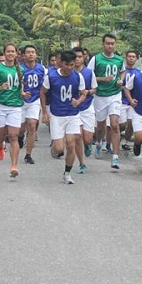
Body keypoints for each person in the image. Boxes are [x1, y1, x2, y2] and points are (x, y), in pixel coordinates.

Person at [41, 50, 88, 184]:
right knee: (59, 148)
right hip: (57, 115)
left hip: (72, 114)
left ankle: (67, 173)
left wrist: (78, 101)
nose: (69, 67)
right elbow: (43, 93)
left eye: (72, 65)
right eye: (67, 64)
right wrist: (45, 112)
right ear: (61, 63)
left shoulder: (78, 77)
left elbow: (83, 93)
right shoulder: (51, 77)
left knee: (71, 144)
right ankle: (55, 149)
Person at [0, 42, 26, 178]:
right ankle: (0, 146)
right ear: (4, 53)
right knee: (1, 136)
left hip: (15, 106)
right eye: (8, 51)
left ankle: (14, 166)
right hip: (0, 105)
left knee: (14, 136)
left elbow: (20, 87)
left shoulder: (21, 70)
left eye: (12, 51)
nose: (10, 54)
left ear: (16, 54)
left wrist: (23, 93)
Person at [87, 33, 125, 169]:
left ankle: (115, 157)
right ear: (103, 44)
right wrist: (103, 79)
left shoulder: (119, 59)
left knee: (114, 125)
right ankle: (98, 142)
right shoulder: (96, 59)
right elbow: (89, 75)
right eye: (108, 43)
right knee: (101, 125)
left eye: (112, 44)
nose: (110, 46)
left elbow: (122, 71)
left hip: (115, 95)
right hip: (100, 95)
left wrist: (120, 80)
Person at [20, 45, 46, 165]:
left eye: (33, 52)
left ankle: (28, 154)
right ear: (23, 55)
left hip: (34, 100)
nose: (31, 54)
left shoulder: (41, 69)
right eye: (28, 52)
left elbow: (45, 85)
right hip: (20, 101)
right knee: (20, 129)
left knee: (32, 125)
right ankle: (20, 136)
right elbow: (16, 84)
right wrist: (21, 92)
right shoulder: (20, 69)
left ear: (36, 55)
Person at [72, 46, 96, 173]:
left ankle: (88, 144)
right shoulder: (67, 73)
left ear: (84, 58)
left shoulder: (89, 73)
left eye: (80, 57)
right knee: (77, 136)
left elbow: (95, 89)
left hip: (87, 107)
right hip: (73, 110)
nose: (77, 59)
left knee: (88, 138)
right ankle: (81, 163)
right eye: (75, 57)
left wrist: (88, 92)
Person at [119, 50, 139, 154]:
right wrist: (123, 88)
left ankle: (125, 142)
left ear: (136, 59)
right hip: (121, 100)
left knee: (131, 123)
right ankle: (116, 138)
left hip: (132, 102)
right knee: (122, 124)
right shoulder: (122, 71)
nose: (131, 58)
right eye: (129, 56)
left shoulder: (138, 73)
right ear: (126, 58)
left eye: (133, 56)